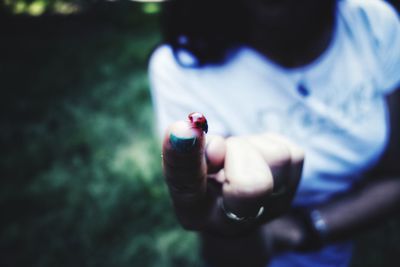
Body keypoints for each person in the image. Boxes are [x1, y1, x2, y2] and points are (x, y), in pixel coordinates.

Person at [148, 0, 400, 266]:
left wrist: (304, 229)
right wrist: (230, 226)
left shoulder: (371, 20)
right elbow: (229, 244)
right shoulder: (180, 69)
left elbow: (395, 176)